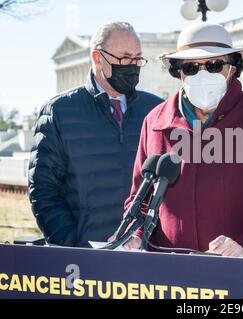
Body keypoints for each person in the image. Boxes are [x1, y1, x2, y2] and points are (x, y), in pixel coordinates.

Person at [120, 22, 243, 299]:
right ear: (178, 73)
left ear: (233, 67)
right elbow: (140, 196)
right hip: (175, 281)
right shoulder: (155, 122)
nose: (202, 74)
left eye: (214, 65)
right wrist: (134, 234)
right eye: (191, 67)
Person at [28, 22, 163, 247]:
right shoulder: (59, 111)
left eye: (137, 59)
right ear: (97, 58)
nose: (132, 66)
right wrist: (71, 244)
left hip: (148, 252)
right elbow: (43, 189)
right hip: (87, 255)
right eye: (124, 58)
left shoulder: (157, 110)